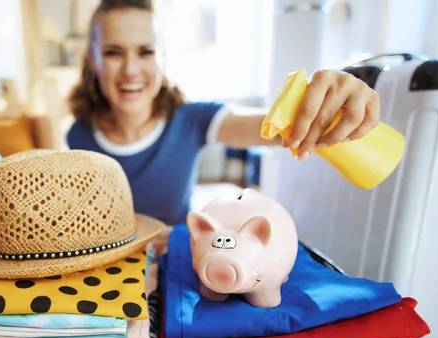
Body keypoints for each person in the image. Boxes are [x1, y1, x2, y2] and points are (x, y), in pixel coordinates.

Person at [66, 0, 380, 229]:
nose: (131, 70)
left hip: (176, 270)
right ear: (92, 60)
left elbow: (278, 124)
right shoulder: (76, 136)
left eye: (145, 51)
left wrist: (334, 101)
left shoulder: (192, 120)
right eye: (112, 53)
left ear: (162, 58)